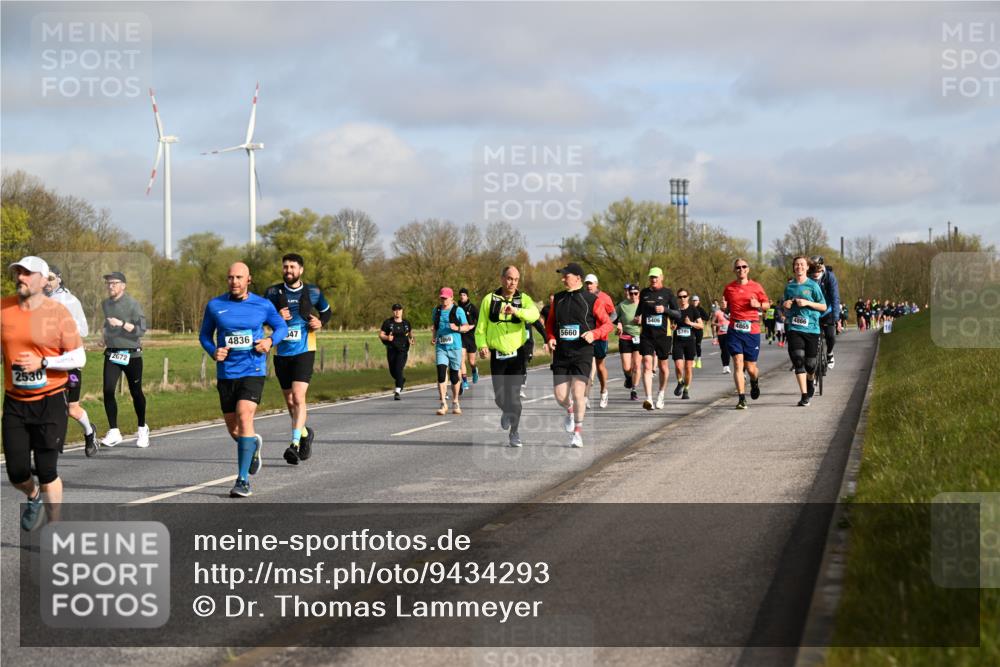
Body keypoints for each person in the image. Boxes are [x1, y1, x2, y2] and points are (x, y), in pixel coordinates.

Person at [3, 257, 85, 530]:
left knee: (48, 470)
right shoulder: (4, 309)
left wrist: (45, 363)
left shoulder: (58, 312)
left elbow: (79, 357)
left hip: (50, 400)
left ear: (42, 279)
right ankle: (33, 495)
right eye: (18, 273)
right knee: (16, 472)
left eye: (27, 273)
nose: (20, 278)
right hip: (15, 402)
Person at [199, 262, 287, 497]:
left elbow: (281, 328)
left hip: (253, 370)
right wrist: (213, 351)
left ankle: (242, 480)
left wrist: (269, 342)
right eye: (230, 277)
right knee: (234, 429)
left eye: (239, 277)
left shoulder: (263, 304)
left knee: (244, 415)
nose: (234, 281)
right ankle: (253, 446)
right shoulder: (215, 305)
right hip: (227, 373)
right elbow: (205, 335)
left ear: (249, 279)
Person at [263, 253, 332, 465]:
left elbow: (327, 312)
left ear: (300, 270)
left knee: (298, 397)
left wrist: (321, 322)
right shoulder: (272, 292)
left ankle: (294, 444)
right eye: (285, 267)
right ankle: (304, 434)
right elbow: (261, 319)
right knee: (290, 402)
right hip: (282, 352)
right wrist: (275, 317)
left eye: (292, 267)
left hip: (305, 349)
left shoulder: (313, 291)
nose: (288, 270)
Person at [545, 263, 613, 448]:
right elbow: (550, 323)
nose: (562, 278)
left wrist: (594, 334)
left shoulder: (591, 299)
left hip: (582, 351)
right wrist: (550, 337)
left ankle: (577, 433)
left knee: (578, 393)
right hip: (561, 352)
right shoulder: (557, 299)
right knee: (560, 396)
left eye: (565, 275)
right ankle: (569, 410)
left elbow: (607, 324)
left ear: (577, 278)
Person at [474, 266, 540, 447]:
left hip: (517, 355)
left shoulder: (522, 299)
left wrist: (517, 311)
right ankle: (506, 412)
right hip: (498, 355)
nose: (513, 283)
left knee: (514, 398)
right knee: (499, 398)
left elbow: (534, 315)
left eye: (516, 279)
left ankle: (514, 432)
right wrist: (482, 345)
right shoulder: (489, 300)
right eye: (510, 279)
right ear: (502, 279)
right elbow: (480, 328)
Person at [44, 265, 97, 457]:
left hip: (70, 362)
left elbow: (83, 331)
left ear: (59, 278)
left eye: (50, 278)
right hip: (49, 363)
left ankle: (90, 433)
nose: (47, 282)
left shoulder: (70, 300)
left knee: (72, 408)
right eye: (44, 278)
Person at [99, 271, 149, 448]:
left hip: (132, 353)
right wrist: (103, 336)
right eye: (108, 283)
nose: (110, 286)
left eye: (113, 283)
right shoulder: (105, 304)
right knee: (107, 390)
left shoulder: (133, 304)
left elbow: (141, 330)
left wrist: (121, 324)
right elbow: (107, 323)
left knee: (136, 392)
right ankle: (114, 431)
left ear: (123, 286)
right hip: (112, 353)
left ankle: (142, 428)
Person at [722, 258, 770, 410]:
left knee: (751, 369)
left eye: (744, 267)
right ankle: (741, 398)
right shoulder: (729, 288)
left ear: (748, 269)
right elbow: (727, 308)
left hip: (752, 330)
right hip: (734, 330)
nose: (741, 269)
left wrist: (759, 305)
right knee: (737, 362)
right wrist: (724, 308)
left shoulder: (756, 286)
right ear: (734, 270)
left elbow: (767, 305)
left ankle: (754, 382)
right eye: (738, 267)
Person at [783, 257, 828, 406]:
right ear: (793, 268)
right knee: (798, 359)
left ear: (807, 267)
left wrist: (807, 302)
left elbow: (823, 307)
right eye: (796, 264)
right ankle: (804, 396)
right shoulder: (789, 287)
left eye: (802, 264)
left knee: (810, 364)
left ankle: (810, 380)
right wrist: (786, 304)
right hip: (794, 328)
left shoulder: (813, 286)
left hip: (812, 329)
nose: (799, 267)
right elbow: (784, 307)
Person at [636, 267, 681, 410]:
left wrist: (665, 310)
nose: (653, 280)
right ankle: (648, 398)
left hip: (663, 335)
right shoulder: (644, 293)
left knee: (663, 366)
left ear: (661, 277)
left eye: (656, 277)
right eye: (651, 277)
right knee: (647, 364)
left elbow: (678, 314)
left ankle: (661, 394)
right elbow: (639, 312)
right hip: (647, 335)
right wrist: (637, 318)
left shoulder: (668, 293)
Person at [432, 287, 471, 415]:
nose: (443, 300)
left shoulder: (458, 310)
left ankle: (455, 402)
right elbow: (435, 326)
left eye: (446, 298)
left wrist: (457, 328)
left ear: (451, 298)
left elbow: (466, 327)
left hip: (455, 347)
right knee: (441, 373)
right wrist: (434, 337)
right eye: (442, 298)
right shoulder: (436, 311)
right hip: (441, 348)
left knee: (454, 377)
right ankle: (443, 403)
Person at [583, 274, 617, 408]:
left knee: (600, 366)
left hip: (601, 336)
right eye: (587, 283)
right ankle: (585, 397)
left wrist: (607, 324)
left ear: (596, 284)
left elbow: (613, 314)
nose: (589, 286)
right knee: (587, 367)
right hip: (587, 336)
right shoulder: (583, 297)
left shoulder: (604, 297)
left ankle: (604, 391)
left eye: (591, 283)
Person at [809, 256, 841, 370]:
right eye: (812, 270)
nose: (815, 273)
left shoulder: (829, 277)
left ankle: (830, 353)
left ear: (822, 267)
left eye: (818, 270)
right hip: (812, 312)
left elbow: (835, 297)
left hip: (827, 311)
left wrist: (837, 318)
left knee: (830, 336)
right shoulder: (807, 278)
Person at [670, 289, 703, 400]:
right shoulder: (675, 310)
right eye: (680, 297)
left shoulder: (693, 309)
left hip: (690, 342)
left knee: (688, 368)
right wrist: (672, 327)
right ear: (677, 298)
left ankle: (686, 390)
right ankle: (680, 382)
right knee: (678, 366)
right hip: (678, 341)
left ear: (688, 297)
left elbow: (701, 325)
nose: (682, 299)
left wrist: (691, 323)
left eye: (684, 296)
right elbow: (671, 323)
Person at [379, 304, 414, 400]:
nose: (397, 312)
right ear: (393, 311)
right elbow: (381, 334)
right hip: (391, 349)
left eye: (399, 310)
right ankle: (401, 380)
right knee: (392, 371)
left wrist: (411, 339)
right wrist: (387, 337)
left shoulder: (406, 323)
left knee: (398, 369)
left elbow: (410, 333)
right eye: (395, 310)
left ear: (402, 311)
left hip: (402, 350)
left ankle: (397, 391)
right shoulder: (388, 323)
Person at [615, 284, 642, 401]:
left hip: (639, 337)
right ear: (628, 294)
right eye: (631, 294)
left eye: (636, 293)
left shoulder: (643, 305)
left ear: (639, 294)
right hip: (625, 337)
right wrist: (618, 323)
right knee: (627, 367)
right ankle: (629, 378)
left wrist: (642, 321)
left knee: (636, 365)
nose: (633, 296)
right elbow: (613, 317)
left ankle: (634, 389)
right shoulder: (622, 305)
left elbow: (651, 319)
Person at [456, 287, 480, 391]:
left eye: (464, 295)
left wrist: (472, 326)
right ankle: (465, 381)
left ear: (467, 296)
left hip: (471, 337)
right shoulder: (456, 308)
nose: (462, 296)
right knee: (461, 360)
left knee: (471, 362)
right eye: (461, 295)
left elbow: (479, 320)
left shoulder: (472, 307)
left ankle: (474, 370)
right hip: (461, 337)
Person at [712, 297, 732, 373]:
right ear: (720, 304)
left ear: (727, 304)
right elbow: (712, 322)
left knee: (727, 349)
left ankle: (727, 366)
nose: (723, 304)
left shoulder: (730, 312)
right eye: (722, 303)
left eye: (724, 303)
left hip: (729, 333)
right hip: (721, 333)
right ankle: (725, 366)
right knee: (723, 350)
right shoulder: (717, 312)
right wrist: (719, 324)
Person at [690, 295, 709, 368]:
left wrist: (699, 318)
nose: (694, 302)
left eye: (696, 300)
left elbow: (707, 318)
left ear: (698, 301)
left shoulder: (701, 309)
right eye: (693, 300)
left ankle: (699, 359)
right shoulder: (690, 309)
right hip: (691, 329)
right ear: (691, 301)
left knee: (697, 345)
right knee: (691, 344)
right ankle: (693, 360)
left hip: (698, 330)